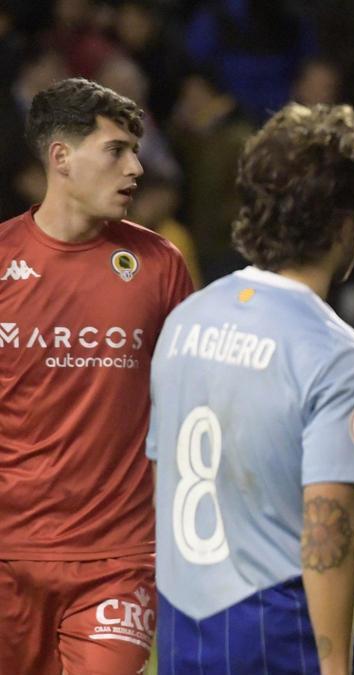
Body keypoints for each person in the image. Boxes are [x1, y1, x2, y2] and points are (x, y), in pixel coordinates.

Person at [148, 103, 354, 674]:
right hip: (276, 629)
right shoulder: (340, 355)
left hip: (184, 628)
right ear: (343, 222)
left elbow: (162, 476)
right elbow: (328, 531)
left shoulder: (186, 319)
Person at [0, 77, 192, 674]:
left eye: (135, 150)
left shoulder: (159, 266)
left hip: (118, 558)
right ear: (61, 157)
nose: (136, 168)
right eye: (116, 151)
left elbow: (192, 401)